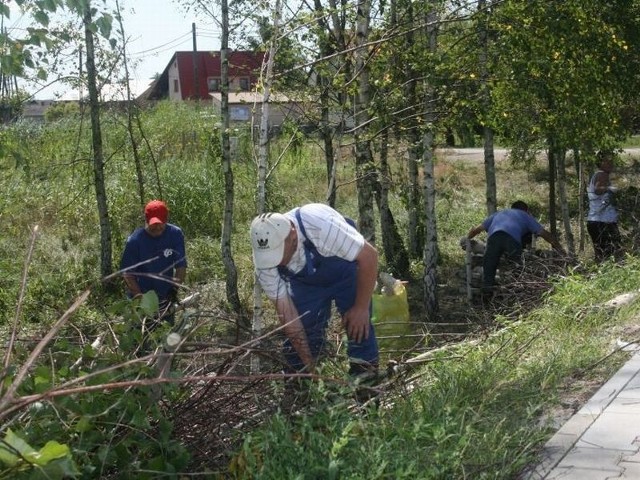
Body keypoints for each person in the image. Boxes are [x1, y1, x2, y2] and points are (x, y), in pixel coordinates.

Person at [249, 203, 380, 381]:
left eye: (278, 255)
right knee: (303, 336)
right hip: (305, 286)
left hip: (345, 272)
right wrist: (309, 369)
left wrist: (361, 307)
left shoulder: (320, 226)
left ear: (292, 236)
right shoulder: (265, 262)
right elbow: (288, 317)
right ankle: (303, 389)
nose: (276, 262)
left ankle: (367, 387)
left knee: (359, 328)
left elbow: (369, 256)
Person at [463, 200, 565, 294]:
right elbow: (545, 234)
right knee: (517, 266)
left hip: (493, 237)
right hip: (512, 240)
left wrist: (467, 238)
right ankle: (516, 291)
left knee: (489, 265)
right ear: (526, 210)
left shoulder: (499, 213)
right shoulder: (526, 216)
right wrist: (561, 250)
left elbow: (476, 230)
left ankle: (487, 292)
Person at [120, 200, 187, 324]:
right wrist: (141, 301)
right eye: (153, 224)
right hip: (140, 296)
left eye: (160, 223)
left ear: (166, 220)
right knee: (141, 337)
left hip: (165, 297)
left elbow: (181, 266)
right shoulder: (135, 241)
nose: (157, 227)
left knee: (165, 336)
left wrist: (174, 290)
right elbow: (128, 275)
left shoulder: (175, 234)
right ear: (146, 220)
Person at [587, 150, 621, 262]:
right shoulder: (601, 174)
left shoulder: (599, 175)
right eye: (606, 161)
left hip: (597, 221)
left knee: (601, 257)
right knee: (611, 255)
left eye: (611, 160)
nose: (610, 163)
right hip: (602, 223)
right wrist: (611, 189)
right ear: (600, 163)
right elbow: (598, 190)